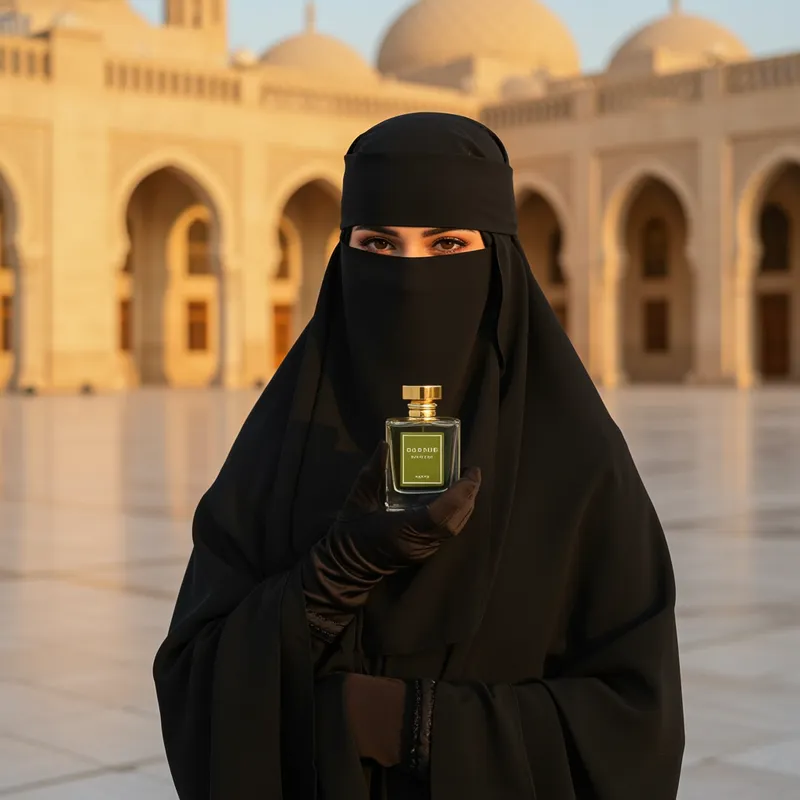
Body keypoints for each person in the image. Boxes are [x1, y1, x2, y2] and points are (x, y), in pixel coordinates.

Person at [153, 112, 685, 800]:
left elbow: (637, 728)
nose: (409, 278)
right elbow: (194, 683)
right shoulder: (282, 451)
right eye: (377, 242)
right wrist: (333, 576)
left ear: (497, 263)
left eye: (447, 244)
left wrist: (413, 725)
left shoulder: (580, 472)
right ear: (342, 259)